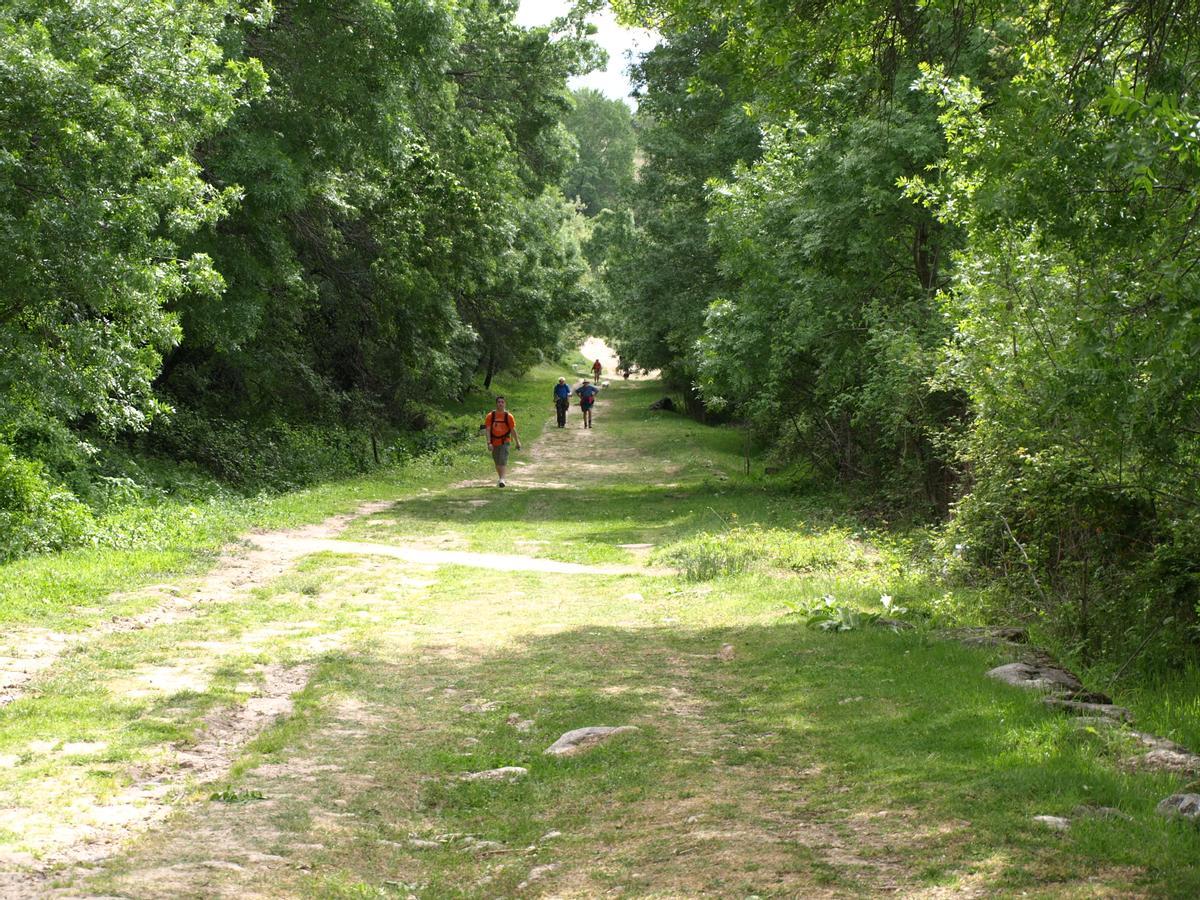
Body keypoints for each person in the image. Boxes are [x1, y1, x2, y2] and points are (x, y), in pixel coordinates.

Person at [478, 396, 521, 487]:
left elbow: (513, 430)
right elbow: (488, 430)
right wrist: (489, 442)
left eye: (502, 402)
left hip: (505, 441)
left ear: (505, 404)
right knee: (497, 462)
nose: (500, 404)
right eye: (499, 402)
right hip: (494, 441)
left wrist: (517, 442)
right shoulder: (490, 416)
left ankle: (502, 479)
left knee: (502, 460)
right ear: (496, 404)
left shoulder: (508, 416)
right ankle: (501, 478)